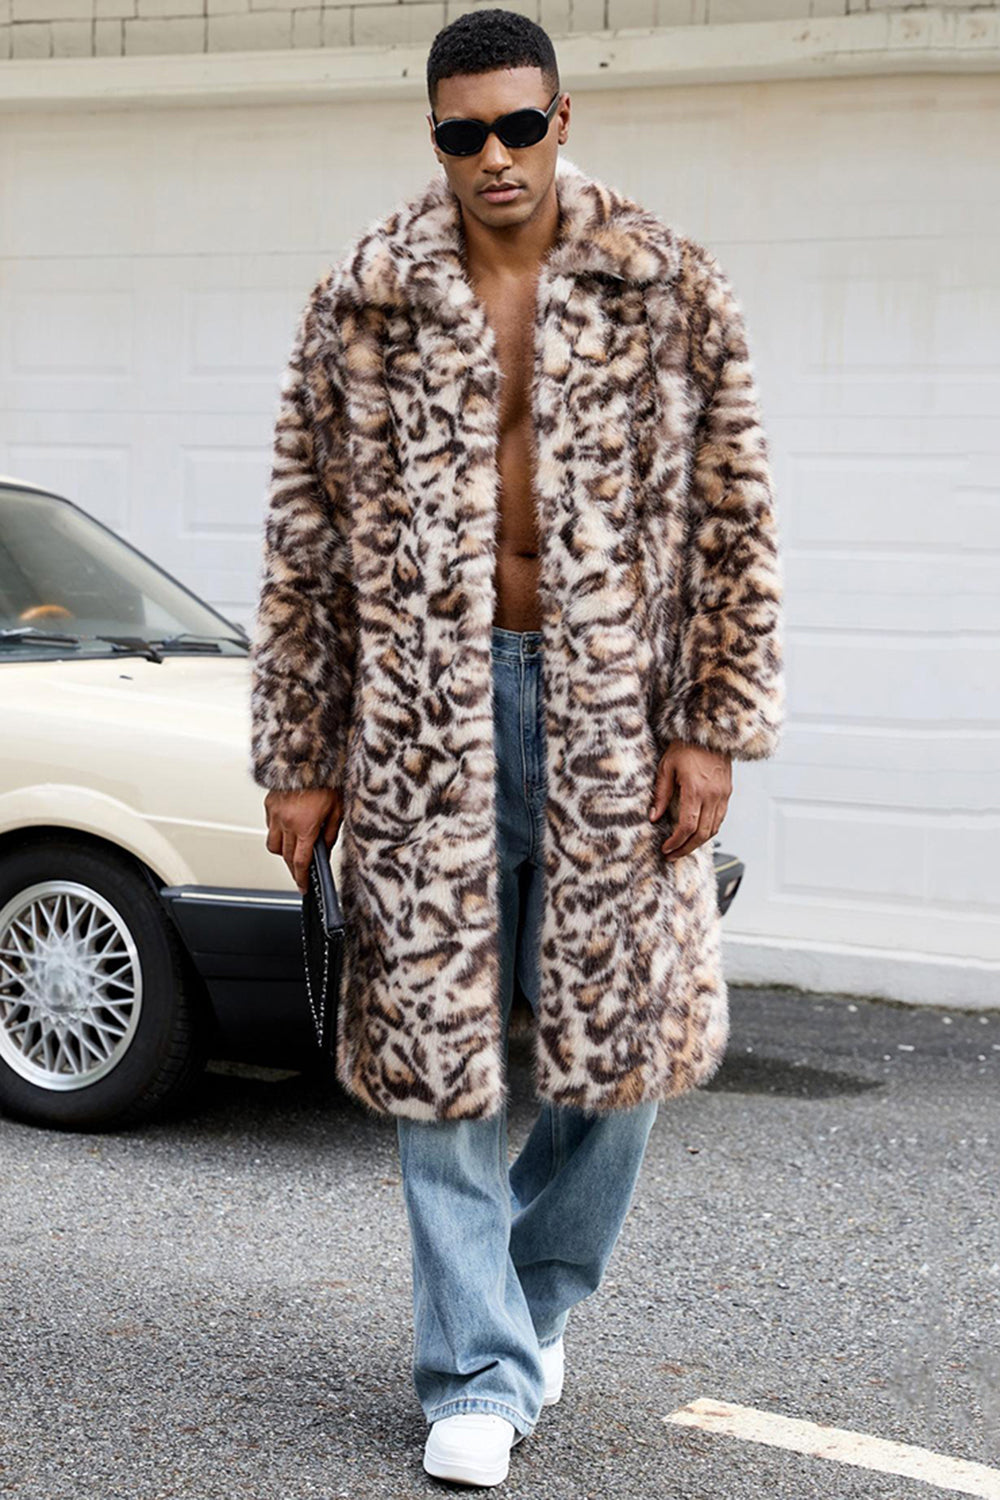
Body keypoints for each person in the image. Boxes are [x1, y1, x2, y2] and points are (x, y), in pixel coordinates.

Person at [248, 8, 785, 1487]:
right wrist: (301, 752)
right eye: (463, 131)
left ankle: (533, 1304)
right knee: (438, 1064)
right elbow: (304, 543)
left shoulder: (666, 284)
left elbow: (735, 520)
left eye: (519, 123)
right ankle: (474, 1371)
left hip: (617, 715)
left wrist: (712, 726)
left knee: (620, 1063)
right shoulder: (362, 302)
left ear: (563, 119)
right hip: (423, 716)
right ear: (436, 137)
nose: (495, 154)